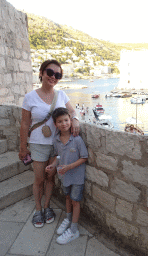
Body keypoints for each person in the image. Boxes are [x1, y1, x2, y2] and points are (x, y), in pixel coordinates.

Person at [19, 59, 80, 228]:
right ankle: (38, 210)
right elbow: (25, 124)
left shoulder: (61, 95)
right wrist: (23, 147)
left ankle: (47, 207)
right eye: (50, 73)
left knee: (51, 178)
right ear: (41, 73)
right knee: (39, 179)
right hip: (38, 144)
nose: (54, 77)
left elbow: (72, 110)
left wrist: (74, 119)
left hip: (57, 144)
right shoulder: (30, 97)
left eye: (58, 75)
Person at [46, 107, 88, 244]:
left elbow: (84, 157)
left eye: (66, 120)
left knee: (75, 201)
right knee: (68, 197)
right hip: (64, 177)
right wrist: (53, 165)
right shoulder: (56, 139)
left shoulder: (76, 139)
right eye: (60, 121)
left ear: (71, 120)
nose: (64, 124)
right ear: (55, 124)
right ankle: (68, 219)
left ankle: (74, 230)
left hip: (76, 177)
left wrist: (69, 167)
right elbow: (58, 156)